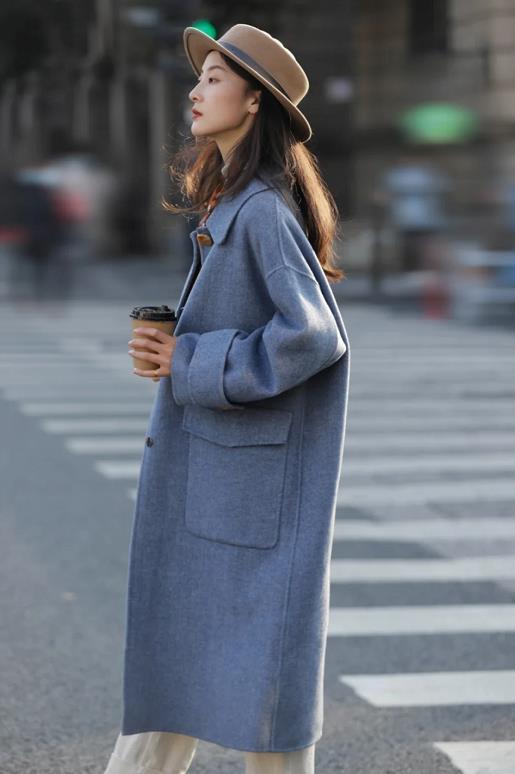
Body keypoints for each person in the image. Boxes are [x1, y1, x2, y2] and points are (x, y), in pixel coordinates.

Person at [104, 23, 351, 774]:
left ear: (253, 102)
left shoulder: (263, 210)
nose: (195, 90)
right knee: (194, 682)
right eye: (201, 76)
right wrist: (178, 354)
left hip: (248, 491)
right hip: (229, 483)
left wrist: (190, 359)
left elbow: (312, 336)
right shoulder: (234, 202)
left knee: (260, 703)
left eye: (213, 78)